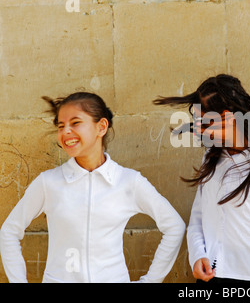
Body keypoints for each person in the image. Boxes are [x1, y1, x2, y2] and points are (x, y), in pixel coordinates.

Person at [0, 91, 185, 283]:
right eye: (61, 126)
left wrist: (150, 281)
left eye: (75, 123)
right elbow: (9, 232)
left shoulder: (128, 181)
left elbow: (174, 226)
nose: (65, 132)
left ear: (101, 127)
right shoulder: (48, 183)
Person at [153, 74, 250, 283]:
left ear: (228, 117)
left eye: (204, 121)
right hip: (210, 279)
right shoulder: (211, 158)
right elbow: (197, 219)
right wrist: (197, 255)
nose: (198, 129)